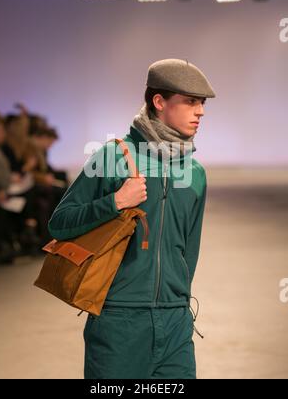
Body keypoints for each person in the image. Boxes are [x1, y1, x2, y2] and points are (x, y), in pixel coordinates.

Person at [48, 59, 216, 379]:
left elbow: (189, 250)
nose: (201, 112)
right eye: (191, 102)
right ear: (159, 101)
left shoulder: (195, 173)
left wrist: (177, 302)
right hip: (118, 321)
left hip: (176, 321)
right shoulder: (113, 158)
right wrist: (114, 202)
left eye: (203, 104)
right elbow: (60, 223)